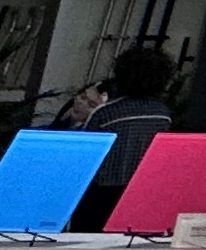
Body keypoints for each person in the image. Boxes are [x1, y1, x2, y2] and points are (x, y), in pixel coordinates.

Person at [65, 42, 179, 223]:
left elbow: (85, 158)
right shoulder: (162, 114)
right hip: (139, 190)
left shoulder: (106, 113)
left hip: (100, 192)